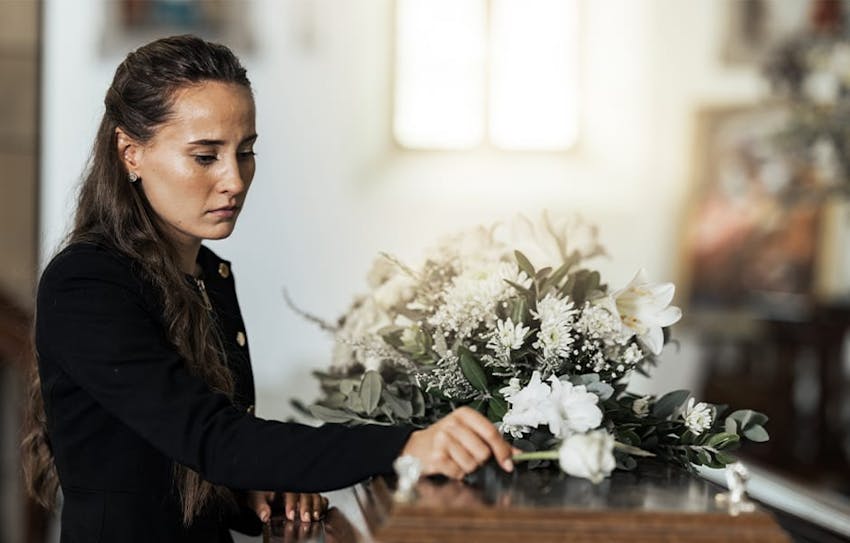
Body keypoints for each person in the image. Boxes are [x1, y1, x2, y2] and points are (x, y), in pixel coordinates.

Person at [21, 35, 514, 542]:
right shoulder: (87, 283)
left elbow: (168, 457)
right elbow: (211, 438)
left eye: (246, 151)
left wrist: (249, 489)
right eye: (206, 156)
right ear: (131, 153)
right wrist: (403, 445)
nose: (235, 179)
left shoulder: (205, 274)